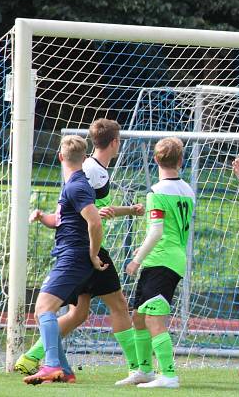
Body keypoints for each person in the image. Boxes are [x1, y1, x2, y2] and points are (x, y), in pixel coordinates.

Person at [16, 119, 145, 385]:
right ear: (115, 142)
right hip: (85, 250)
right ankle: (46, 360)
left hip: (84, 250)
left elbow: (89, 213)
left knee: (82, 312)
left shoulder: (85, 176)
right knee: (84, 309)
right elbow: (88, 216)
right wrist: (93, 251)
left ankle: (46, 360)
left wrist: (128, 211)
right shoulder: (88, 173)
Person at [23, 135, 108, 384]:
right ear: (84, 158)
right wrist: (42, 217)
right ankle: (65, 371)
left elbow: (95, 221)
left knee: (43, 309)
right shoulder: (72, 184)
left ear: (60, 157)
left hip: (74, 257)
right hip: (69, 255)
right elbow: (65, 221)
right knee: (43, 313)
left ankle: (50, 365)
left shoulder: (76, 186)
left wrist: (93, 254)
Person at [125, 137, 195, 389]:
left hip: (162, 259)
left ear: (156, 159)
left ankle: (168, 375)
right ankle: (144, 371)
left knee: (154, 320)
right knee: (139, 316)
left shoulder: (156, 191)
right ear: (181, 160)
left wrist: (136, 259)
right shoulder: (187, 190)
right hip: (167, 258)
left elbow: (156, 232)